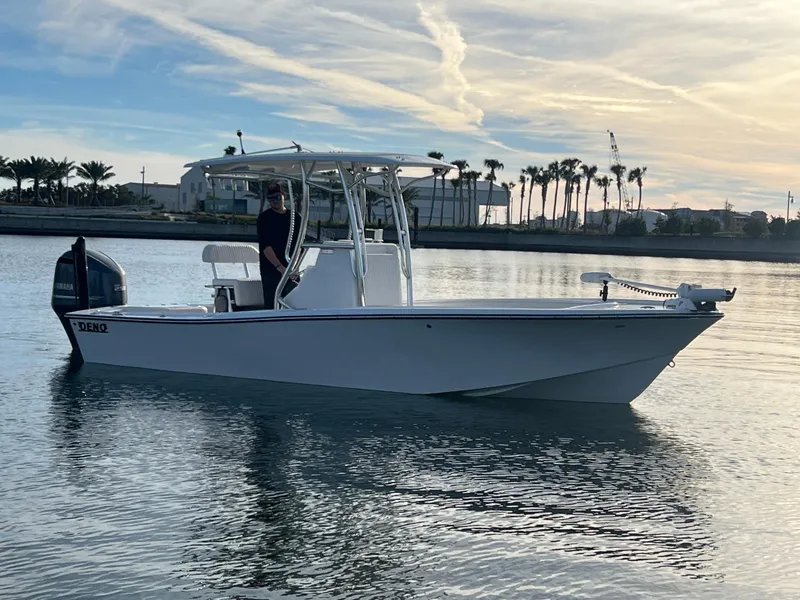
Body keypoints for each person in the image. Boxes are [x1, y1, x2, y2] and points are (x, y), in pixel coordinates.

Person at [256, 182, 302, 309]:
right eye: (270, 199)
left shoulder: (295, 218)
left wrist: (293, 268)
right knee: (272, 303)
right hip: (271, 269)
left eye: (277, 197)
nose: (274, 201)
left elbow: (299, 245)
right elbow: (266, 246)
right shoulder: (264, 218)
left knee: (295, 302)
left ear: (283, 197)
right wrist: (280, 267)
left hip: (291, 268)